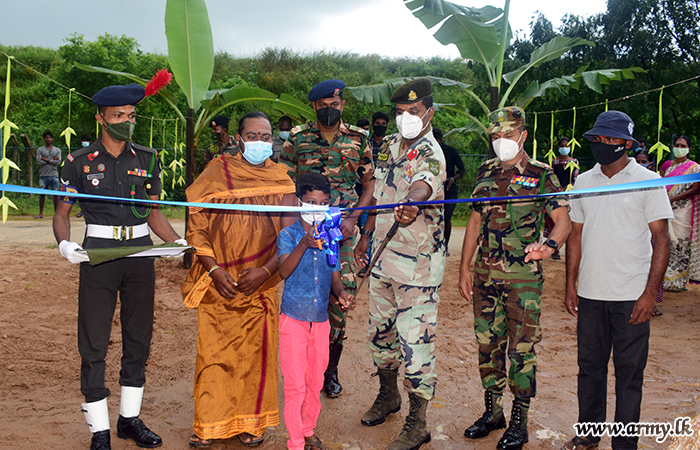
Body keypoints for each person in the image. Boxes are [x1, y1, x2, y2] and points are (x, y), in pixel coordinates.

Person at [53, 84, 184, 450]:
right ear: (100, 118)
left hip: (140, 254)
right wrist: (64, 244)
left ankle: (129, 420)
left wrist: (176, 243)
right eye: (118, 117)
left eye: (131, 116)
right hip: (99, 255)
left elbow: (154, 214)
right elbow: (62, 212)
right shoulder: (77, 162)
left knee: (138, 338)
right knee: (94, 342)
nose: (126, 122)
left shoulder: (148, 158)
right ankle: (99, 430)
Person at [458, 106, 571, 450]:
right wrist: (465, 267)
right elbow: (474, 222)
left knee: (522, 350)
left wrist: (549, 246)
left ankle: (520, 421)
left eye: (508, 134)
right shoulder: (485, 171)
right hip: (485, 276)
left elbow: (563, 220)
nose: (501, 141)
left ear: (522, 135)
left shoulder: (540, 174)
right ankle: (493, 413)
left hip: (523, 280)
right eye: (495, 135)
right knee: (488, 345)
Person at [181, 111, 296, 448]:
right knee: (213, 356)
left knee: (256, 358)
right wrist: (213, 270)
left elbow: (289, 235)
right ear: (238, 138)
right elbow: (197, 224)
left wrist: (266, 271)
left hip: (261, 284)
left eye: (265, 136)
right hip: (220, 282)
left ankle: (253, 423)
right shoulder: (217, 173)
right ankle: (209, 424)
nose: (259, 142)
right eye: (252, 135)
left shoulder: (282, 179)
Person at [561, 110, 673, 450]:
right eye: (598, 138)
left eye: (611, 140)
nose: (603, 144)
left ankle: (624, 444)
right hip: (591, 294)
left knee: (628, 375)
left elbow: (662, 239)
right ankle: (588, 434)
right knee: (589, 368)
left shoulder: (648, 180)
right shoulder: (583, 182)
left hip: (631, 295)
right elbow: (575, 237)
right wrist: (570, 284)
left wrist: (650, 293)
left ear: (627, 144)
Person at [353, 78, 445, 450]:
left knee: (415, 347)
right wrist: (364, 233)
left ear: (429, 113)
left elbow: (424, 184)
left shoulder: (431, 153)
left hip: (417, 270)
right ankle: (388, 396)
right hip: (383, 261)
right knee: (381, 337)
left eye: (414, 112)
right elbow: (377, 191)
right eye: (400, 112)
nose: (406, 118)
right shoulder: (390, 145)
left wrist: (415, 201)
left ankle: (418, 421)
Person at [280, 79, 375, 399]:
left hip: (342, 234)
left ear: (342, 106)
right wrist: (292, 230)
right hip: (304, 233)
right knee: (304, 295)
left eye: (334, 105)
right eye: (323, 106)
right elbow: (285, 186)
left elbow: (370, 187)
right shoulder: (297, 139)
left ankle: (329, 371)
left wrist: (352, 220)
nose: (329, 111)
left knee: (339, 296)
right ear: (314, 107)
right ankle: (301, 364)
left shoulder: (359, 140)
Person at [277, 172, 355, 450]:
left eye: (322, 204)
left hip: (320, 322)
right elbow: (285, 270)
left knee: (315, 381)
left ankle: (308, 428)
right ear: (300, 202)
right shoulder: (288, 235)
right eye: (310, 202)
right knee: (294, 385)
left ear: (329, 204)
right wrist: (304, 244)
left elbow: (335, 280)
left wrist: (343, 294)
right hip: (293, 321)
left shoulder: (332, 238)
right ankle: (295, 441)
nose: (316, 208)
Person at [662, 135, 700, 291]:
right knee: (665, 242)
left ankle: (678, 282)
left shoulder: (694, 167)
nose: (679, 148)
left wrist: (673, 199)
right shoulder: (667, 167)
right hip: (665, 208)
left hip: (683, 210)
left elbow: (696, 188)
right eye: (677, 145)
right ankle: (665, 280)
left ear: (689, 149)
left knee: (680, 243)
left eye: (682, 145)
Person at [433, 127, 464, 253]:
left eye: (437, 140)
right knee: (433, 218)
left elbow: (462, 169)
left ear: (441, 140)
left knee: (447, 218)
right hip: (433, 190)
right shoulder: (428, 152)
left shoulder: (451, 152)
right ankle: (434, 245)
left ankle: (445, 246)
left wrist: (452, 179)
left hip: (449, 189)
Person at [35, 130, 61, 218]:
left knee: (55, 194)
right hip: (43, 175)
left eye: (50, 137)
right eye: (47, 137)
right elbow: (38, 161)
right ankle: (40, 213)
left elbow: (58, 162)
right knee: (42, 194)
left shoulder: (57, 150)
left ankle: (56, 213)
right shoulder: (40, 150)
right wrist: (52, 160)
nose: (48, 139)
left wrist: (46, 159)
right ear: (44, 139)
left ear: (52, 139)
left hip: (54, 174)